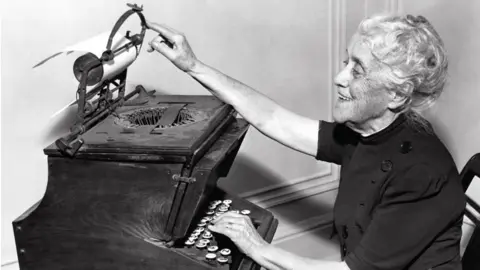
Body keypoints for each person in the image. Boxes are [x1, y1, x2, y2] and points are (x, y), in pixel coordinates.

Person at [146, 13, 466, 270]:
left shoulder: (421, 172)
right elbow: (274, 119)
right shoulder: (365, 130)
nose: (339, 78)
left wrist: (257, 247)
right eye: (346, 62)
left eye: (359, 70)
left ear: (396, 94)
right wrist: (193, 66)